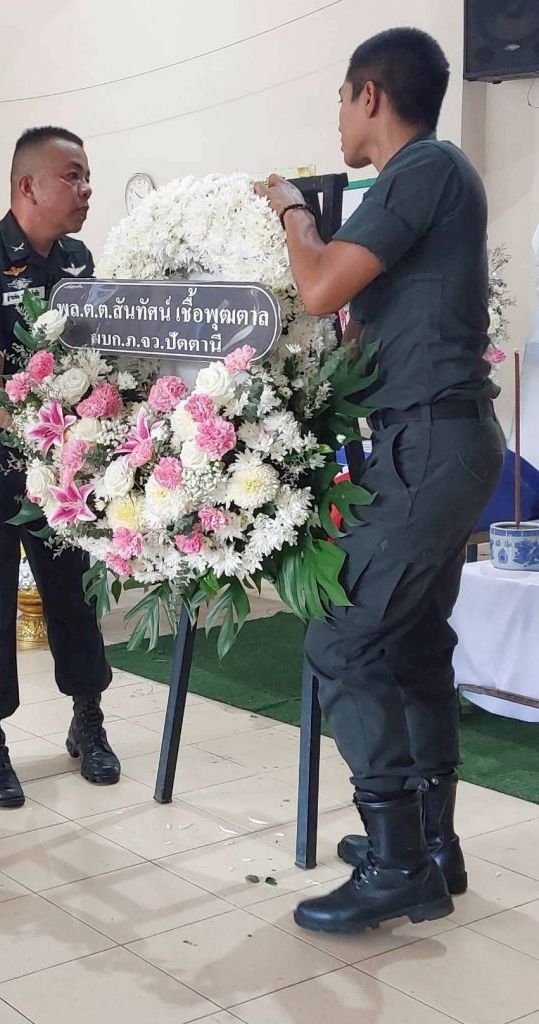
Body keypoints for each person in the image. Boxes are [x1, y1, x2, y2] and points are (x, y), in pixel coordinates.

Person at [257, 28, 506, 933]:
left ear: (369, 96)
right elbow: (357, 324)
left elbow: (321, 287)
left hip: (431, 443)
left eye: (339, 97)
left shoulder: (422, 168)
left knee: (343, 640)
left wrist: (293, 212)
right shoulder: (429, 180)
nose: (336, 116)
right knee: (408, 643)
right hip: (431, 439)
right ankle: (431, 843)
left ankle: (399, 863)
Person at [0, 126, 120, 809]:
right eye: (72, 175)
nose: (86, 189)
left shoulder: (76, 260)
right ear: (28, 186)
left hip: (60, 455)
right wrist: (54, 438)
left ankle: (88, 721)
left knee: (72, 588)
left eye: (87, 175)